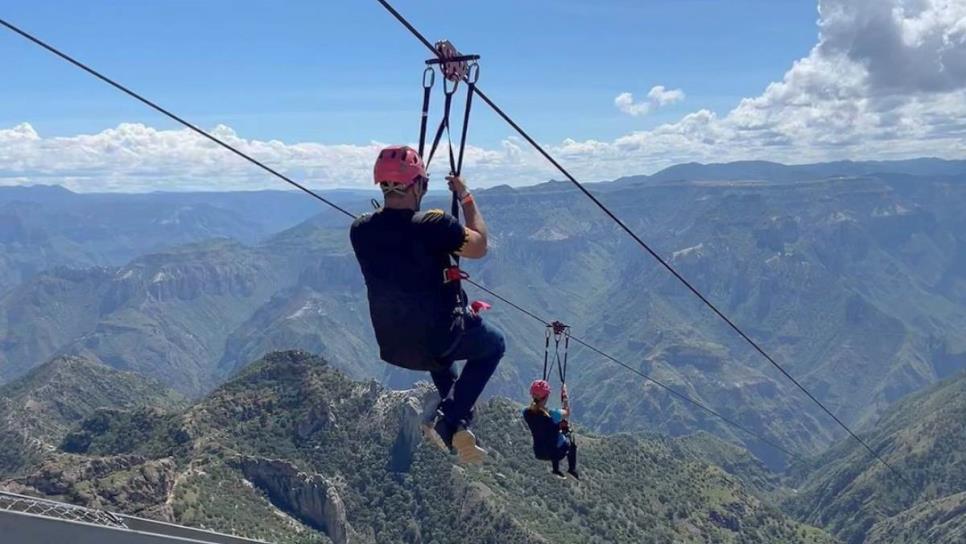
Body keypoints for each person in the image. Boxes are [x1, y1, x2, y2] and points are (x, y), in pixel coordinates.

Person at [350, 145, 505, 464]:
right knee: (493, 346)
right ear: (418, 184)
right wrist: (466, 196)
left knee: (435, 345)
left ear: (382, 184)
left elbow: (398, 242)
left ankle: (459, 422)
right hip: (437, 341)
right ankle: (448, 419)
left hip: (393, 345)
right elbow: (480, 245)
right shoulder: (435, 226)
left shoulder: (361, 230)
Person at [523, 379, 579, 479]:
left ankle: (556, 469)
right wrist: (565, 396)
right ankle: (572, 469)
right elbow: (567, 412)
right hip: (557, 453)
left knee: (551, 436)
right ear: (547, 397)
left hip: (539, 452)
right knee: (569, 439)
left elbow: (541, 422)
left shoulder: (526, 413)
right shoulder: (553, 414)